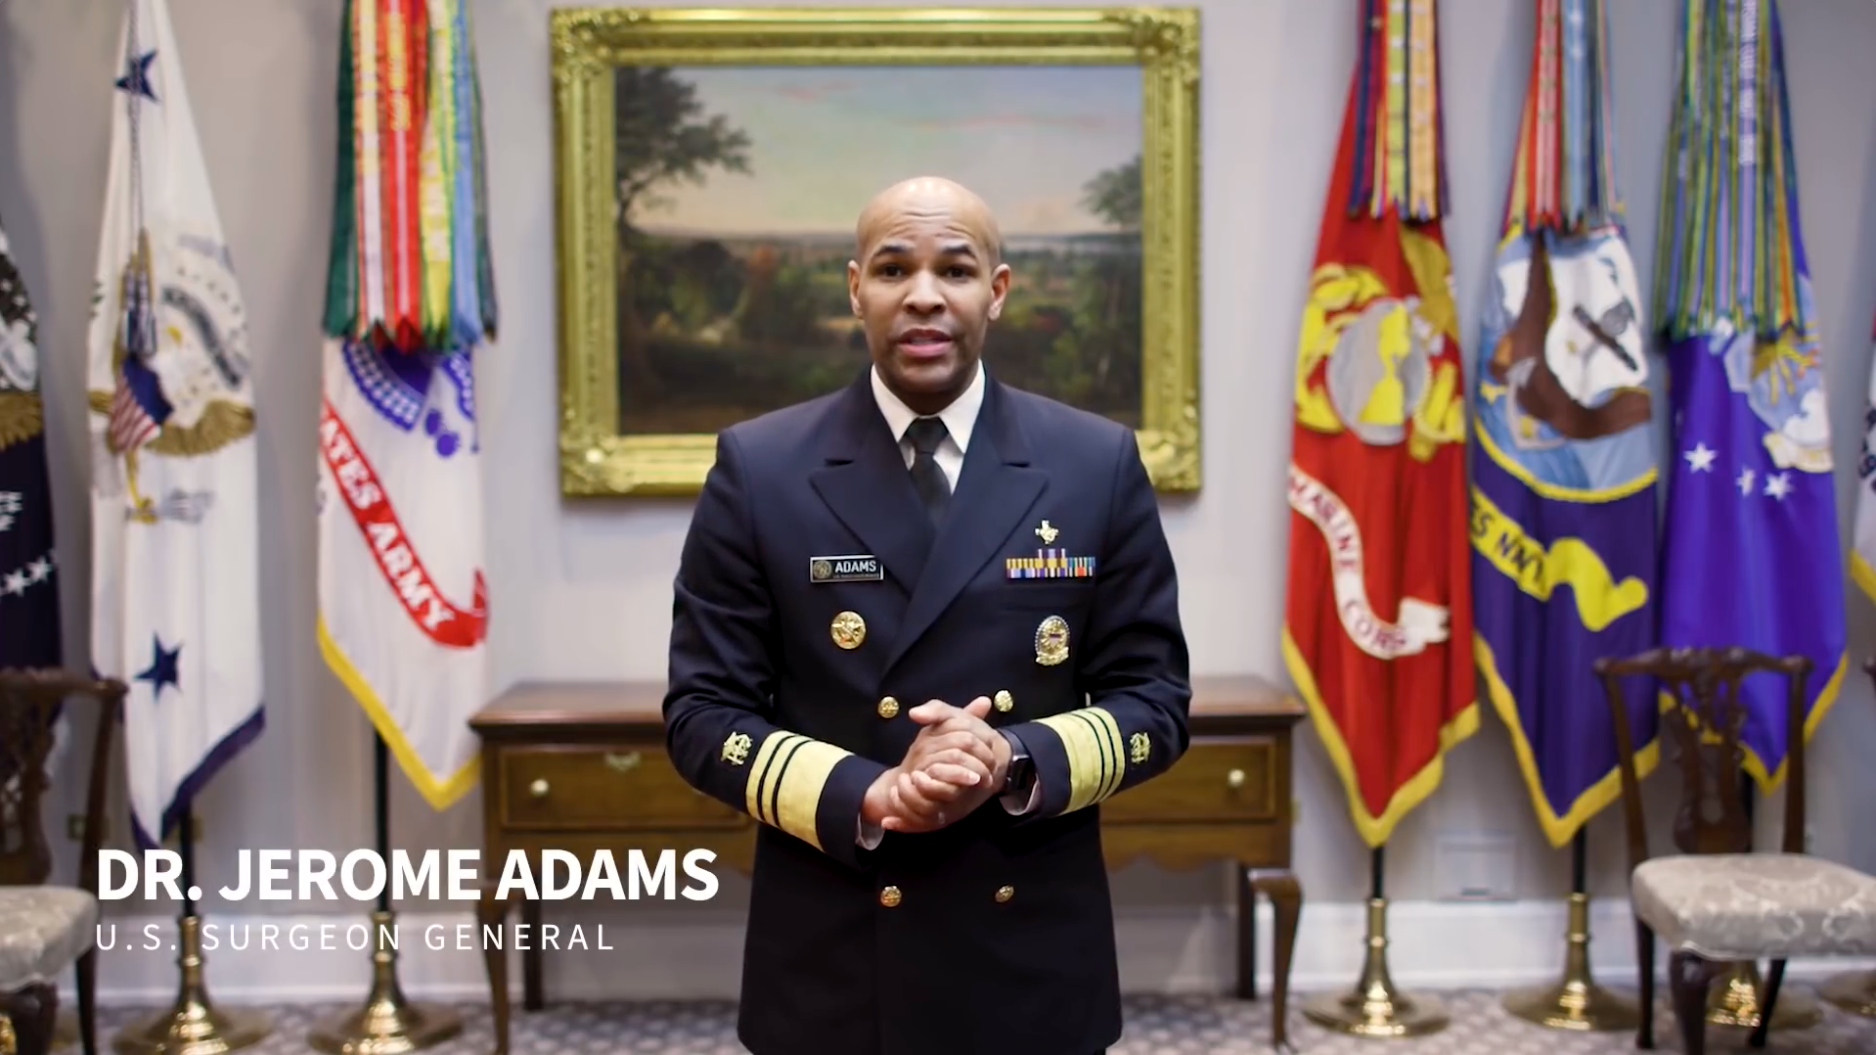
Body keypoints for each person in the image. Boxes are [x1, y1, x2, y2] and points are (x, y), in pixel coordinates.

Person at [662, 176, 1191, 1055]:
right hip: (836, 949)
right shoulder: (761, 467)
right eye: (892, 268)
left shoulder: (1093, 462)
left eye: (954, 269)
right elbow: (701, 715)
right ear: (854, 289)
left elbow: (1156, 700)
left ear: (997, 290)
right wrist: (869, 792)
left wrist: (1012, 757)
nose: (923, 295)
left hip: (1029, 950)